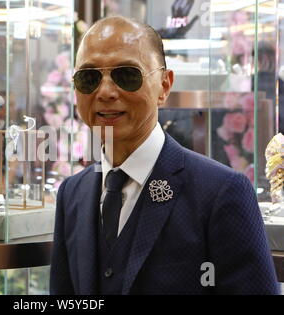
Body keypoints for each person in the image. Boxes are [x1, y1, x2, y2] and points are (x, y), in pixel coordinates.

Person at [50, 16, 280, 295]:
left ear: (164, 85)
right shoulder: (72, 194)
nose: (106, 91)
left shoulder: (221, 192)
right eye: (89, 78)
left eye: (127, 75)